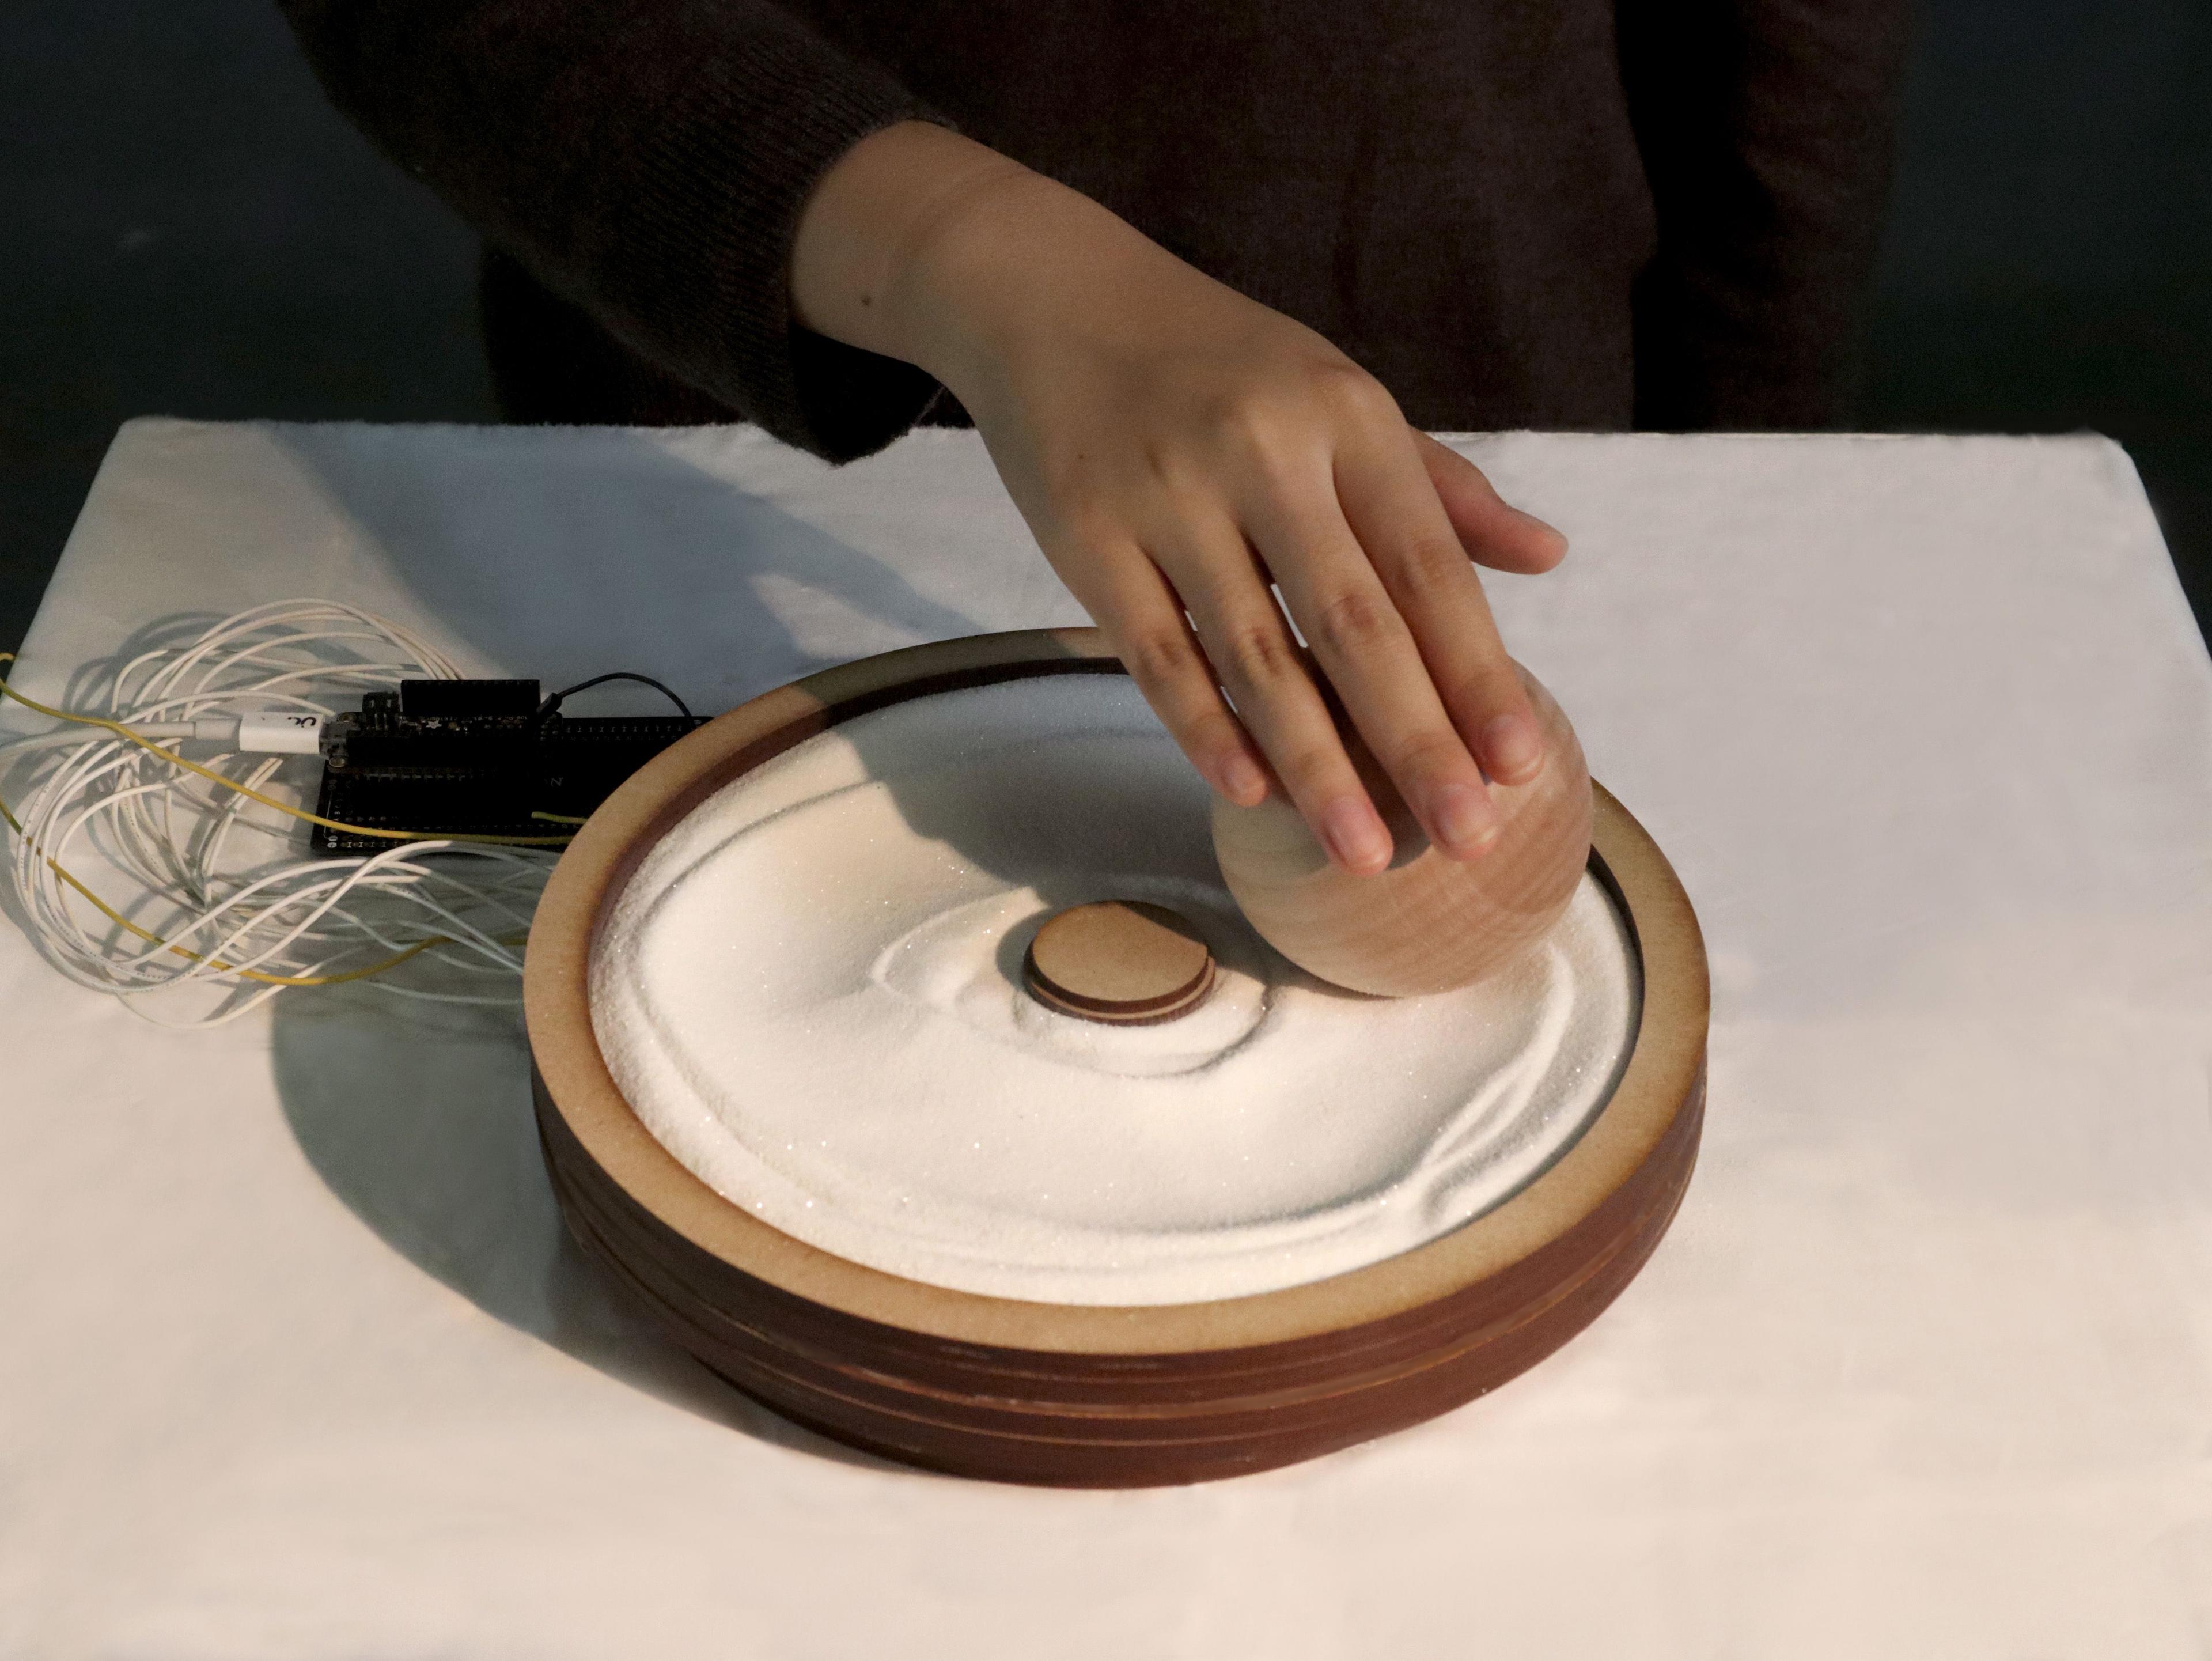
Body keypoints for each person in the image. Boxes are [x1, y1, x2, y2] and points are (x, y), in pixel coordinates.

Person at [278, 0, 1907, 873]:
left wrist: (1724, 498)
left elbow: (1788, 54)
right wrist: (976, 257)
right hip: (734, 437)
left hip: (1455, 481)